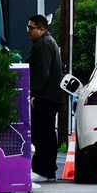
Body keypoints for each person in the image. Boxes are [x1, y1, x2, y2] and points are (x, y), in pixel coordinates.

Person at [26, 14, 65, 183]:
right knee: (46, 133)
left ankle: (43, 170)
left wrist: (33, 94)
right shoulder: (48, 42)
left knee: (41, 133)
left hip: (45, 97)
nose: (28, 31)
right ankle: (47, 170)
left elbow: (43, 72)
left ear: (42, 29)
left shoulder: (43, 44)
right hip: (50, 96)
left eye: (31, 27)